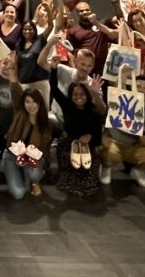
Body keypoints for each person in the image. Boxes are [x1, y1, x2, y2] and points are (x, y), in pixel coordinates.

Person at [99, 73, 145, 188]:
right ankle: (106, 166)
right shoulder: (120, 100)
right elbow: (118, 86)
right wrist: (123, 73)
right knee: (110, 154)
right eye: (138, 86)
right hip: (112, 141)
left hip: (134, 146)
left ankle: (138, 171)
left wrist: (139, 128)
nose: (142, 90)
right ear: (132, 88)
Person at [1, 59, 53, 199]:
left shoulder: (45, 123)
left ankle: (31, 178)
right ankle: (23, 178)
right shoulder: (20, 112)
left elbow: (42, 149)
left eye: (35, 102)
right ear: (23, 103)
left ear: (40, 103)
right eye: (28, 102)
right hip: (11, 156)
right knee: (18, 194)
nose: (31, 105)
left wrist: (27, 157)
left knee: (35, 174)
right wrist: (12, 76)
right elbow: (15, 89)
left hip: (30, 158)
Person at [49, 69, 105, 198]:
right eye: (75, 94)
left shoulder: (93, 112)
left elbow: (98, 137)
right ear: (71, 95)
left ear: (87, 95)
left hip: (88, 147)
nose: (78, 97)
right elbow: (53, 87)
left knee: (88, 184)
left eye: (82, 94)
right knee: (68, 179)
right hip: (69, 144)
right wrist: (53, 68)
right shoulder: (67, 105)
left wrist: (90, 136)